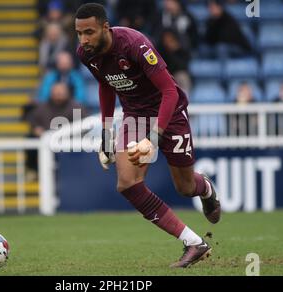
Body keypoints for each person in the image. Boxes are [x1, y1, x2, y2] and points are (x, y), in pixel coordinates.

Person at [75, 3, 221, 268]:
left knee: (185, 187)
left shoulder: (134, 43)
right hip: (135, 116)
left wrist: (152, 139)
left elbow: (170, 91)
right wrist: (107, 134)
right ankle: (194, 243)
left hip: (171, 113)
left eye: (89, 32)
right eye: (79, 33)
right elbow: (105, 87)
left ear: (105, 28)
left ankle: (206, 188)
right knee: (127, 183)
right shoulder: (87, 54)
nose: (83, 39)